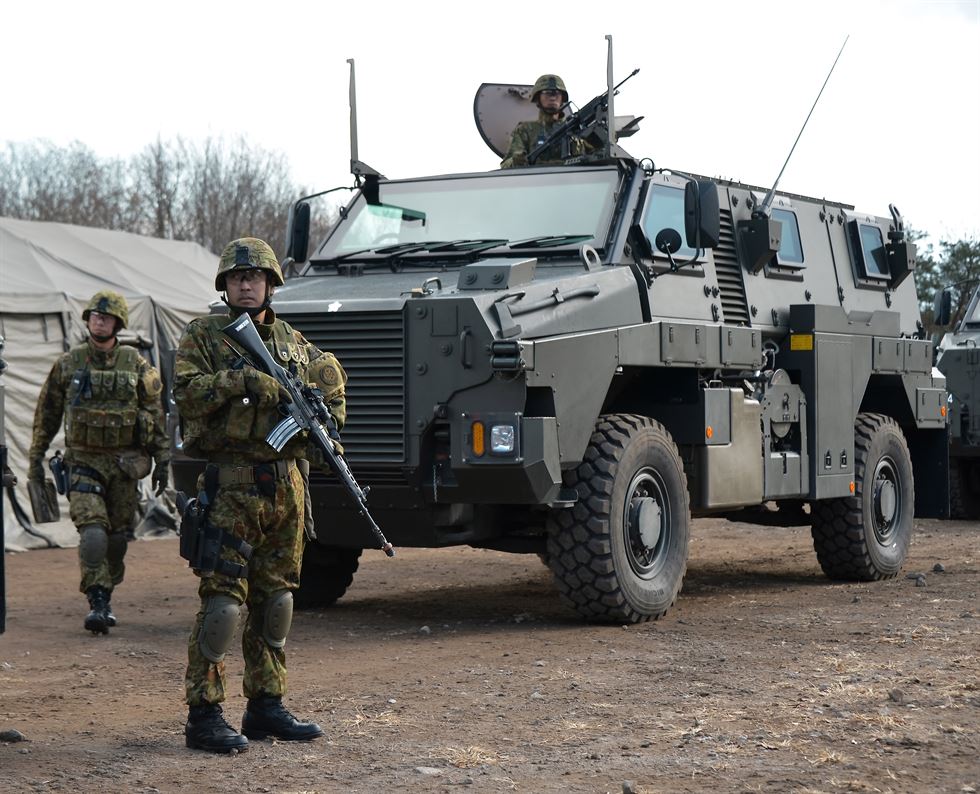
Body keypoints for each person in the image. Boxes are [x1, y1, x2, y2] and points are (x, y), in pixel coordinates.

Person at [173, 237, 347, 754]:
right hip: (232, 486)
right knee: (224, 605)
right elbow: (186, 393)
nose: (245, 284)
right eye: (236, 278)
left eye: (255, 278)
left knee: (278, 602)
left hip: (287, 487)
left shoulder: (294, 342)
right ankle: (204, 715)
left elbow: (332, 391)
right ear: (224, 285)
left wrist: (322, 421)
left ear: (272, 284)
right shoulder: (205, 335)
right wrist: (242, 380)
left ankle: (266, 705)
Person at [28, 290, 169, 635]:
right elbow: (46, 415)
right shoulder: (69, 364)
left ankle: (107, 586)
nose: (99, 321)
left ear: (117, 323)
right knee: (93, 533)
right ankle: (98, 600)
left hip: (124, 466)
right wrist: (35, 459)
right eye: (94, 316)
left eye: (105, 317)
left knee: (118, 538)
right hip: (83, 462)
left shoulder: (137, 365)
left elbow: (154, 415)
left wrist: (163, 460)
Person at [500, 73, 594, 168]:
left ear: (562, 98)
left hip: (575, 180)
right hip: (537, 180)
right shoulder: (525, 130)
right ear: (538, 98)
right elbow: (505, 166)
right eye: (547, 93)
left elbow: (599, 157)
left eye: (556, 93)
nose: (552, 97)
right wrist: (517, 160)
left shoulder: (577, 129)